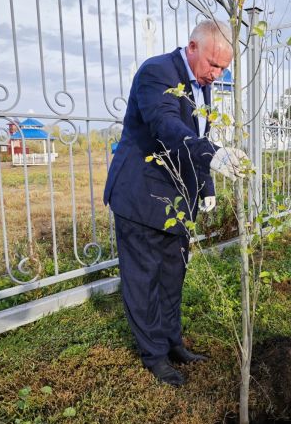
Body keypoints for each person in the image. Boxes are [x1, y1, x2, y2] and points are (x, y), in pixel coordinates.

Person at [104, 20, 248, 386]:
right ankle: (154, 356)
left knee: (173, 276)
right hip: (140, 195)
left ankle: (172, 343)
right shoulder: (158, 72)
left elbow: (198, 132)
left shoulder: (202, 86)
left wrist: (207, 184)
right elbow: (166, 125)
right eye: (213, 64)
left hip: (177, 201)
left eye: (223, 68)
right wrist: (212, 154)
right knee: (144, 279)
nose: (217, 74)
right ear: (193, 47)